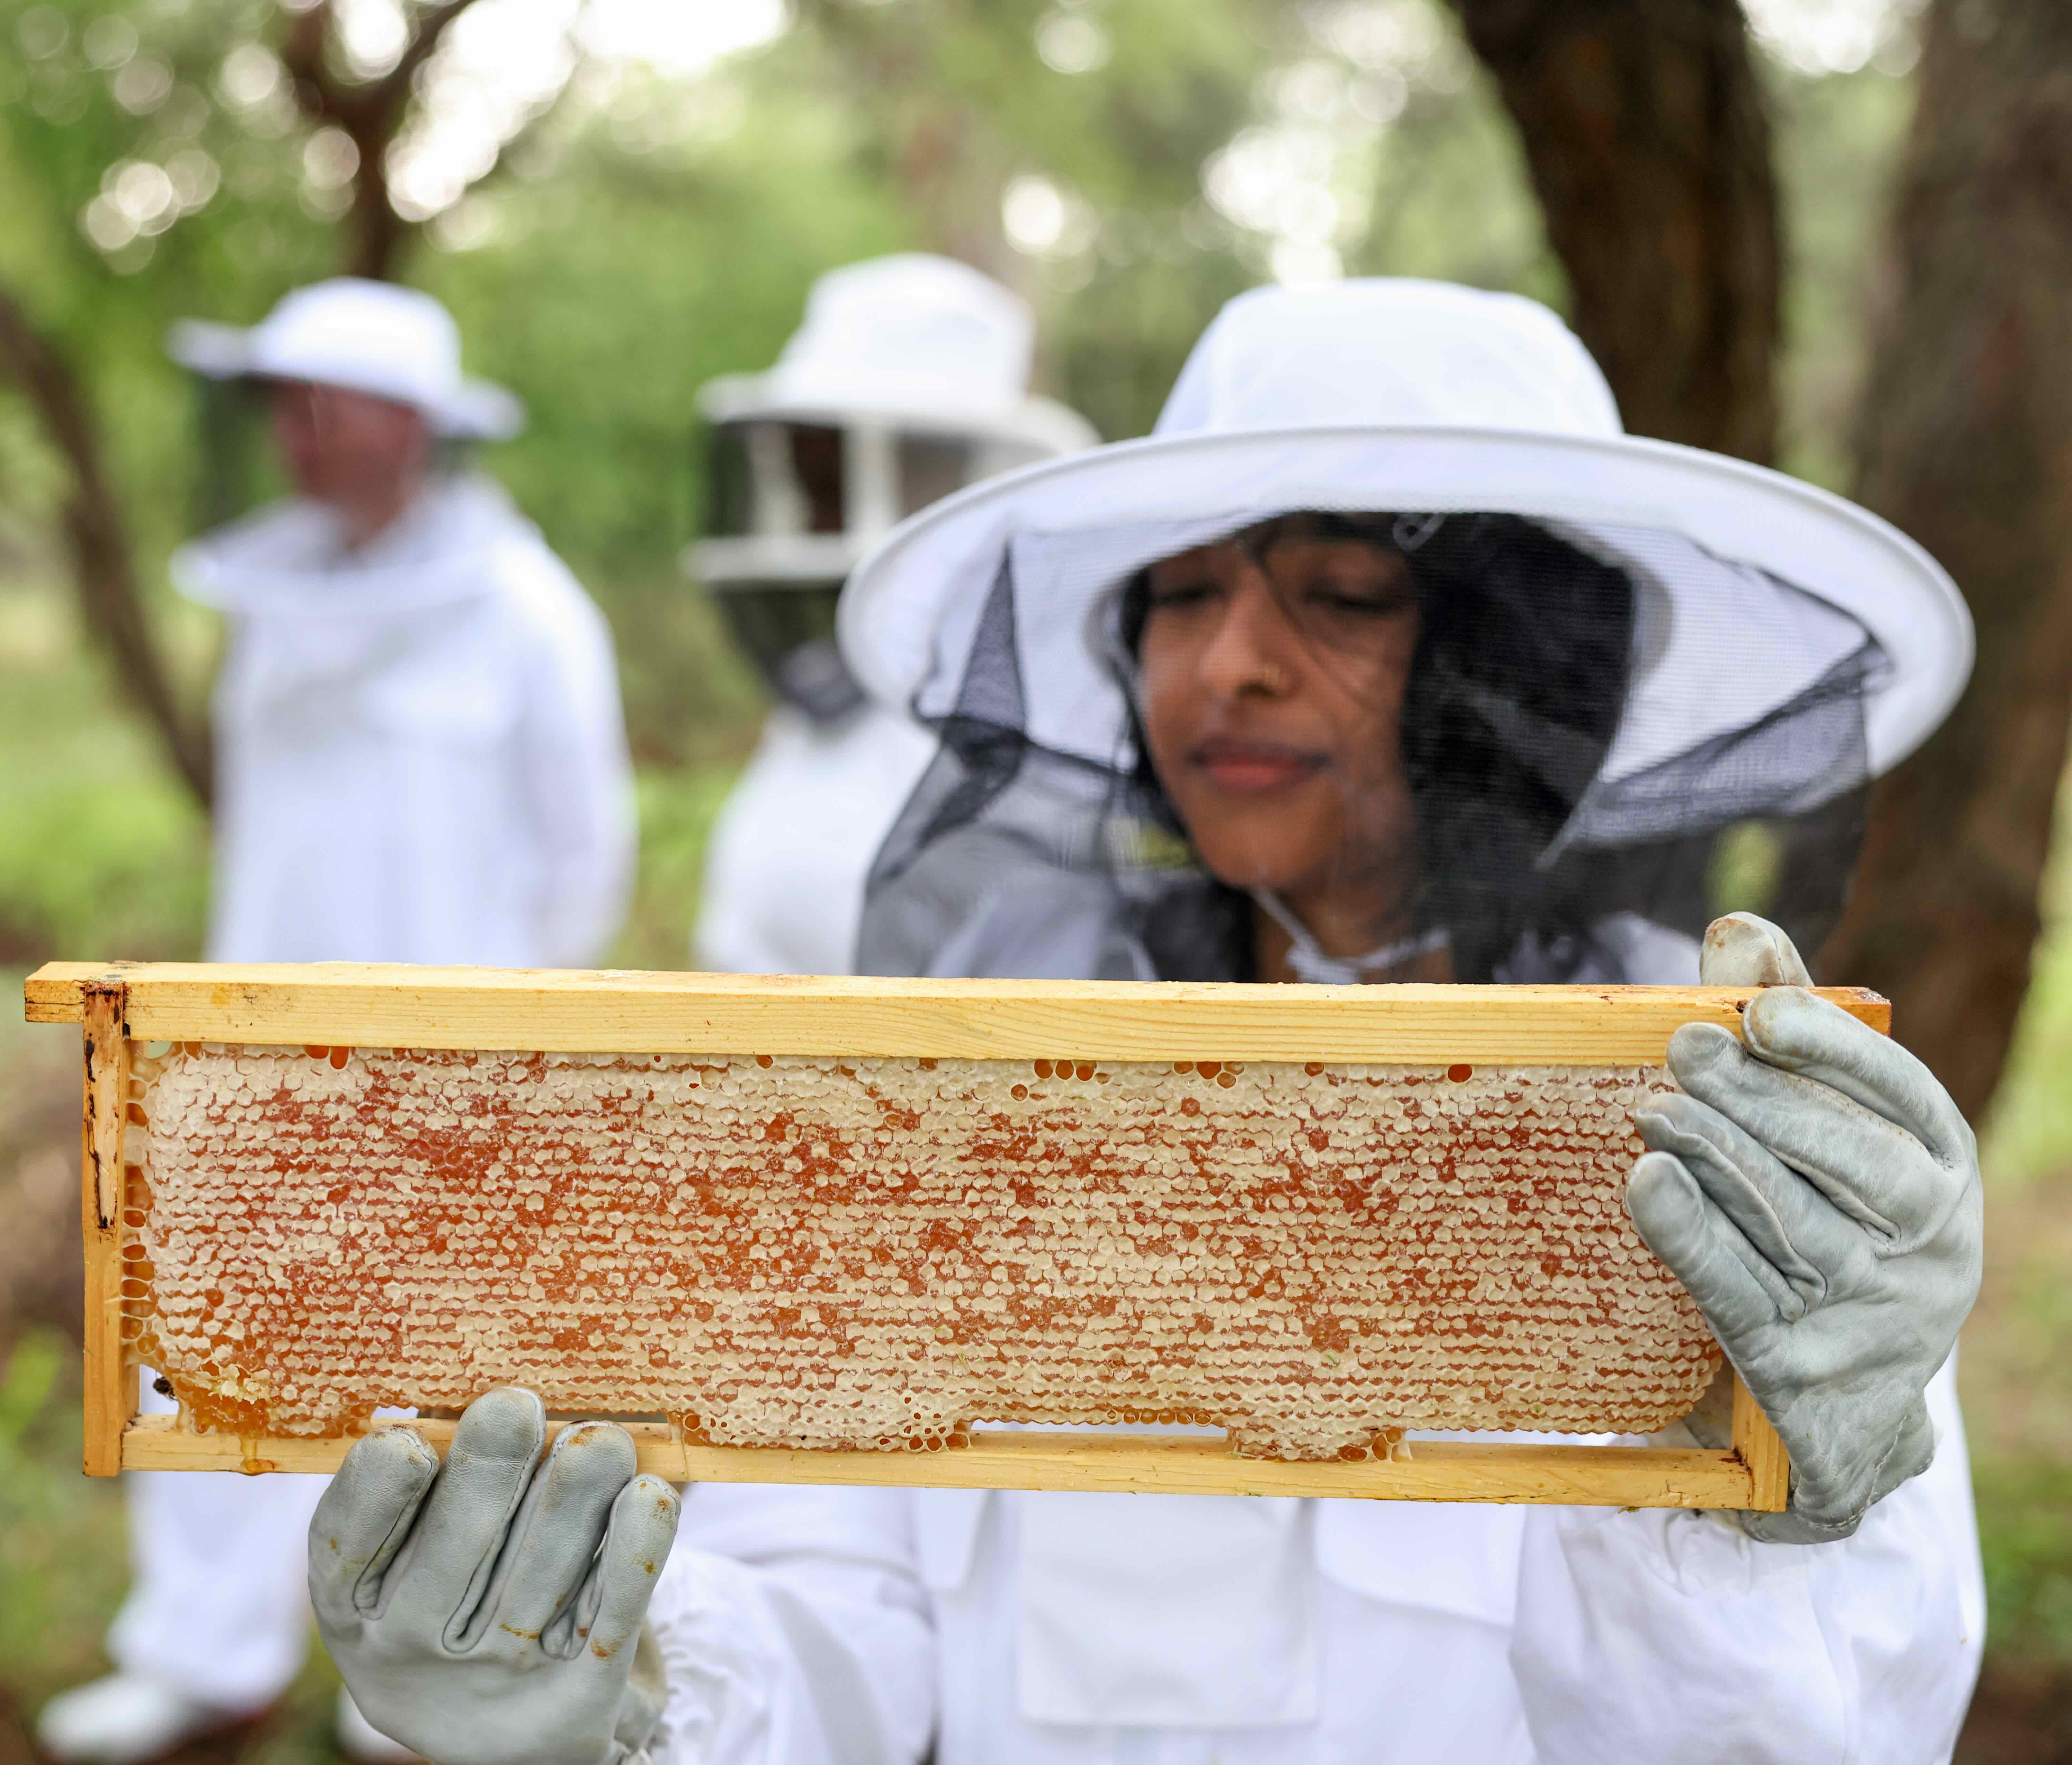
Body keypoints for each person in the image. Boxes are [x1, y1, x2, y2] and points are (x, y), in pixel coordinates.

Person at [297, 280, 1988, 1764]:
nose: (1224, 665)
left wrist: (1775, 1512)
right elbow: (845, 1612)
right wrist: (628, 1687)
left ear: (1518, 669)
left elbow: (1825, 1727)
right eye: (1180, 594)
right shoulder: (981, 1097)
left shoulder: (1739, 1132)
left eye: (1338, 593)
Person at [35, 278, 638, 1765]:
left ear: (410, 425)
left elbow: (584, 855)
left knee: (447, 1376)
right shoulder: (272, 605)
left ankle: (422, 1690)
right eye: (282, 405)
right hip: (249, 1052)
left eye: (326, 403)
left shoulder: (525, 610)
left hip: (457, 1072)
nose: (296, 434)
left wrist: (487, 1033)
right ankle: (202, 1653)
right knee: (219, 1342)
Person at [689, 254, 1093, 976]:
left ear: (942, 465)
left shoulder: (1039, 727)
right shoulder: (828, 700)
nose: (814, 513)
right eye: (806, 476)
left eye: (833, 474)